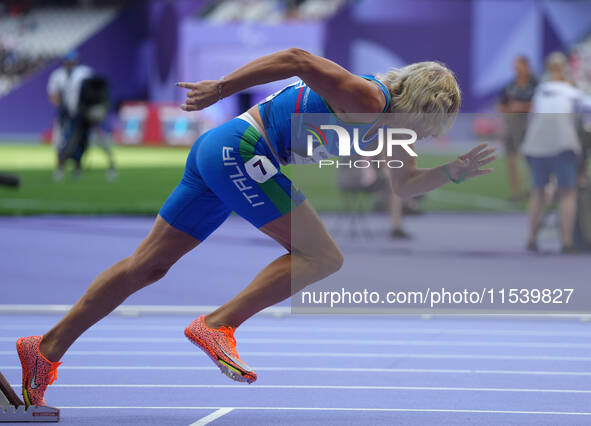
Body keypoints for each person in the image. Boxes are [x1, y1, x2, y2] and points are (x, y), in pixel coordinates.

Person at [17, 48, 495, 406]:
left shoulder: (395, 129)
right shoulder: (368, 97)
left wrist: (452, 171)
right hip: (243, 148)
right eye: (429, 126)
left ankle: (46, 347)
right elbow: (296, 58)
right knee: (323, 256)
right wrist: (221, 87)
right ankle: (217, 325)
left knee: (147, 266)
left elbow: (406, 186)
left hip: (221, 152)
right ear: (418, 103)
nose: (425, 137)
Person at [522, 52, 591, 253]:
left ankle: (532, 238)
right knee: (567, 193)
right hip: (562, 144)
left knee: (537, 192)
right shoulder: (573, 93)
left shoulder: (541, 90)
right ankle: (567, 242)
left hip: (535, 145)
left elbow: (531, 119)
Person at [47, 51, 116, 181]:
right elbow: (54, 95)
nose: (69, 63)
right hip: (70, 114)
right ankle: (62, 168)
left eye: (71, 61)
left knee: (96, 139)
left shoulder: (85, 72)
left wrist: (93, 107)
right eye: (67, 61)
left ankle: (111, 165)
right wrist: (63, 108)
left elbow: (95, 93)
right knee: (68, 141)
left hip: (87, 113)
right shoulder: (58, 75)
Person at [498, 56, 538, 202]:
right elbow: (501, 105)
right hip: (512, 125)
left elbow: (540, 104)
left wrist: (521, 107)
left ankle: (534, 189)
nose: (517, 69)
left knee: (531, 159)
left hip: (530, 124)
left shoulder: (535, 84)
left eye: (519, 66)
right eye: (515, 67)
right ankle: (515, 192)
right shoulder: (510, 85)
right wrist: (508, 111)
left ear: (527, 66)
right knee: (511, 159)